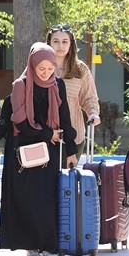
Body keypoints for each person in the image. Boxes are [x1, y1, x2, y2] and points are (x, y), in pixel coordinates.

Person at [0, 43, 79, 256]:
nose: (46, 72)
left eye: (50, 68)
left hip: (49, 153)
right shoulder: (20, 86)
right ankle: (31, 247)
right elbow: (21, 122)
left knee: (47, 200)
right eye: (41, 68)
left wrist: (70, 149)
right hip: (23, 153)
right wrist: (47, 134)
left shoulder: (57, 85)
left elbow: (65, 118)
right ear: (32, 66)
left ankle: (49, 248)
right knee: (27, 201)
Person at [47, 24, 101, 161]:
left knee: (67, 181)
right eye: (56, 41)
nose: (60, 46)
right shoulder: (39, 65)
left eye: (65, 41)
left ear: (71, 44)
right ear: (49, 43)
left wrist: (93, 113)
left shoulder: (80, 69)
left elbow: (89, 98)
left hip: (74, 136)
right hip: (45, 135)